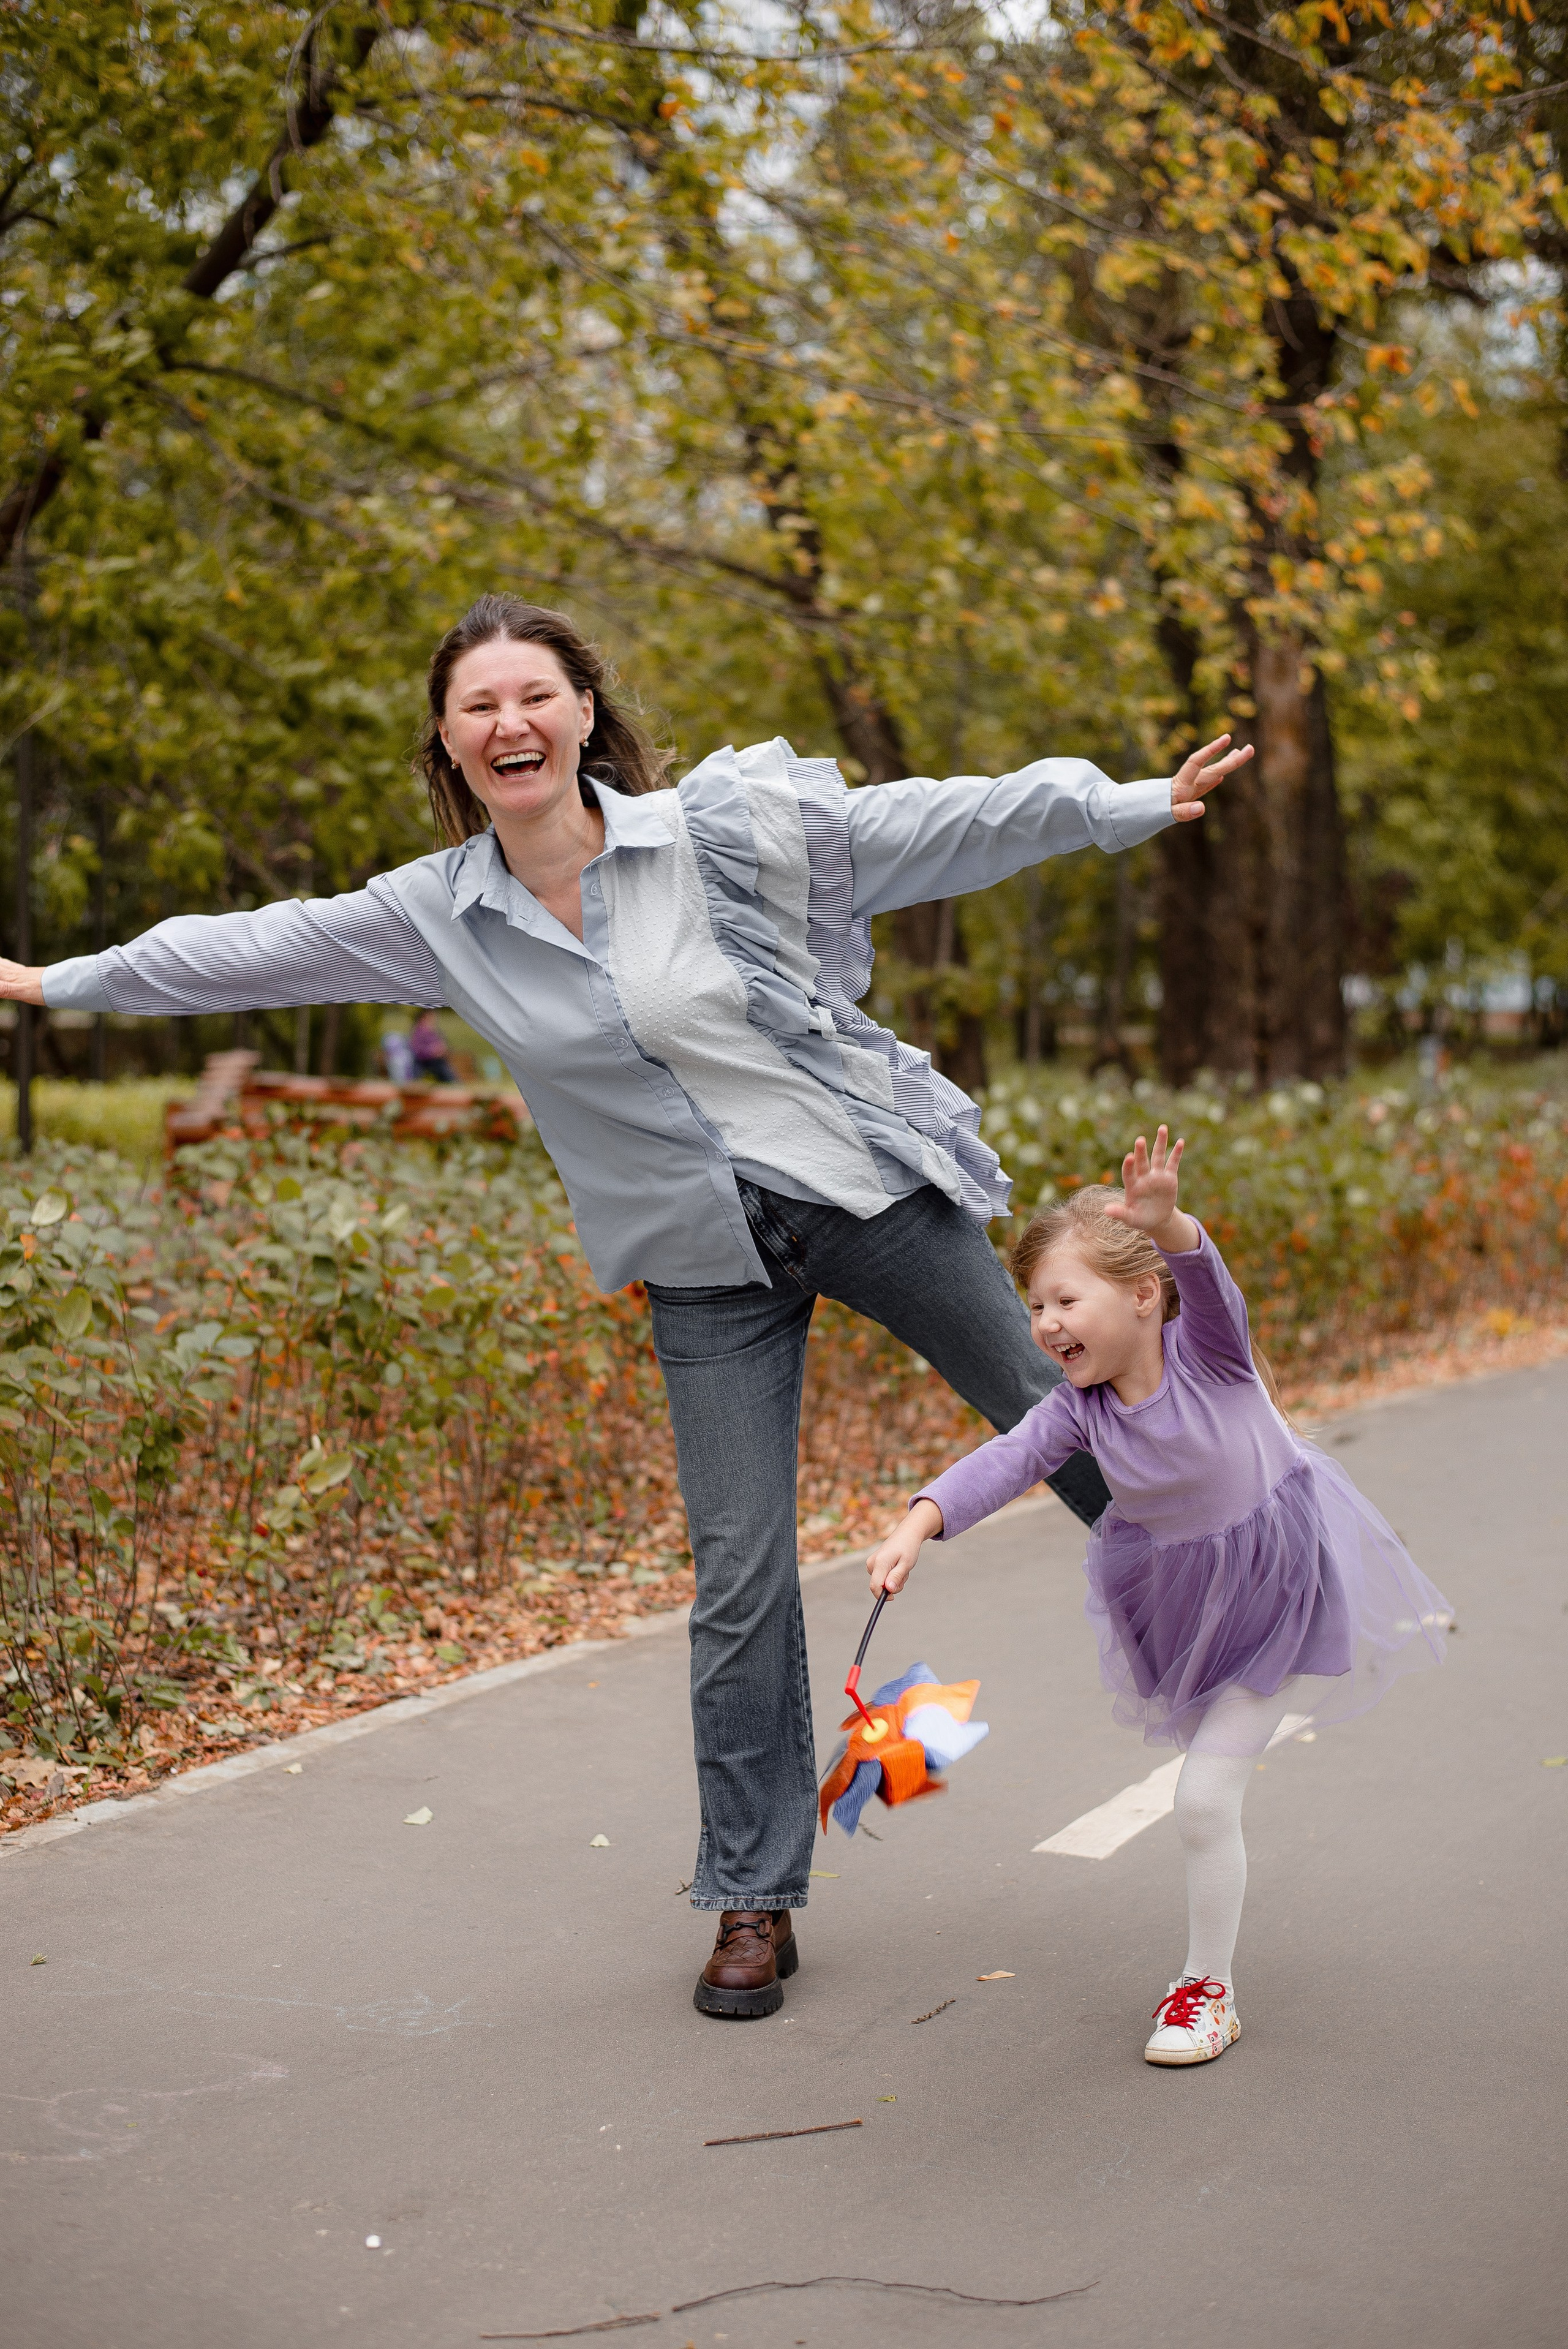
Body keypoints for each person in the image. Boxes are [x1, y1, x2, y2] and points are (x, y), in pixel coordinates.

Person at [0, 594, 1253, 2022]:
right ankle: (751, 1895)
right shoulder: (434, 916)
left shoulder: (720, 834)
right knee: (735, 1577)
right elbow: (243, 947)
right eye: (477, 706)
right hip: (705, 1266)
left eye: (532, 694)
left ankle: (1235, 1592)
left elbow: (932, 825)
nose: (508, 722)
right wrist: (49, 979)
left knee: (1061, 1421)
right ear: (450, 743)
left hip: (860, 1196)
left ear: (584, 712)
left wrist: (1123, 801)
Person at [869, 1127, 1449, 2065]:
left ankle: (1206, 1989)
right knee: (1206, 1785)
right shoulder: (1077, 1406)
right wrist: (919, 1521)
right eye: (1035, 1304)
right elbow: (1004, 1457)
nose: (1047, 1322)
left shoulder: (1210, 1355)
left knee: (1203, 1798)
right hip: (1178, 1596)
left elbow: (1210, 1284)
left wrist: (1169, 1220)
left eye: (1066, 1298)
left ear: (1142, 1296)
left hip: (1273, 1586)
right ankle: (1206, 1972)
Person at [408, 1010, 456, 1084]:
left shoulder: (434, 1031)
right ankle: (452, 1083)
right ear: (423, 1018)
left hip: (436, 1060)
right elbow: (418, 1050)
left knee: (442, 1066)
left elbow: (443, 1044)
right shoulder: (419, 1032)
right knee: (440, 1066)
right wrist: (432, 1051)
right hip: (423, 1061)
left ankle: (453, 1083)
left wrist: (441, 1049)